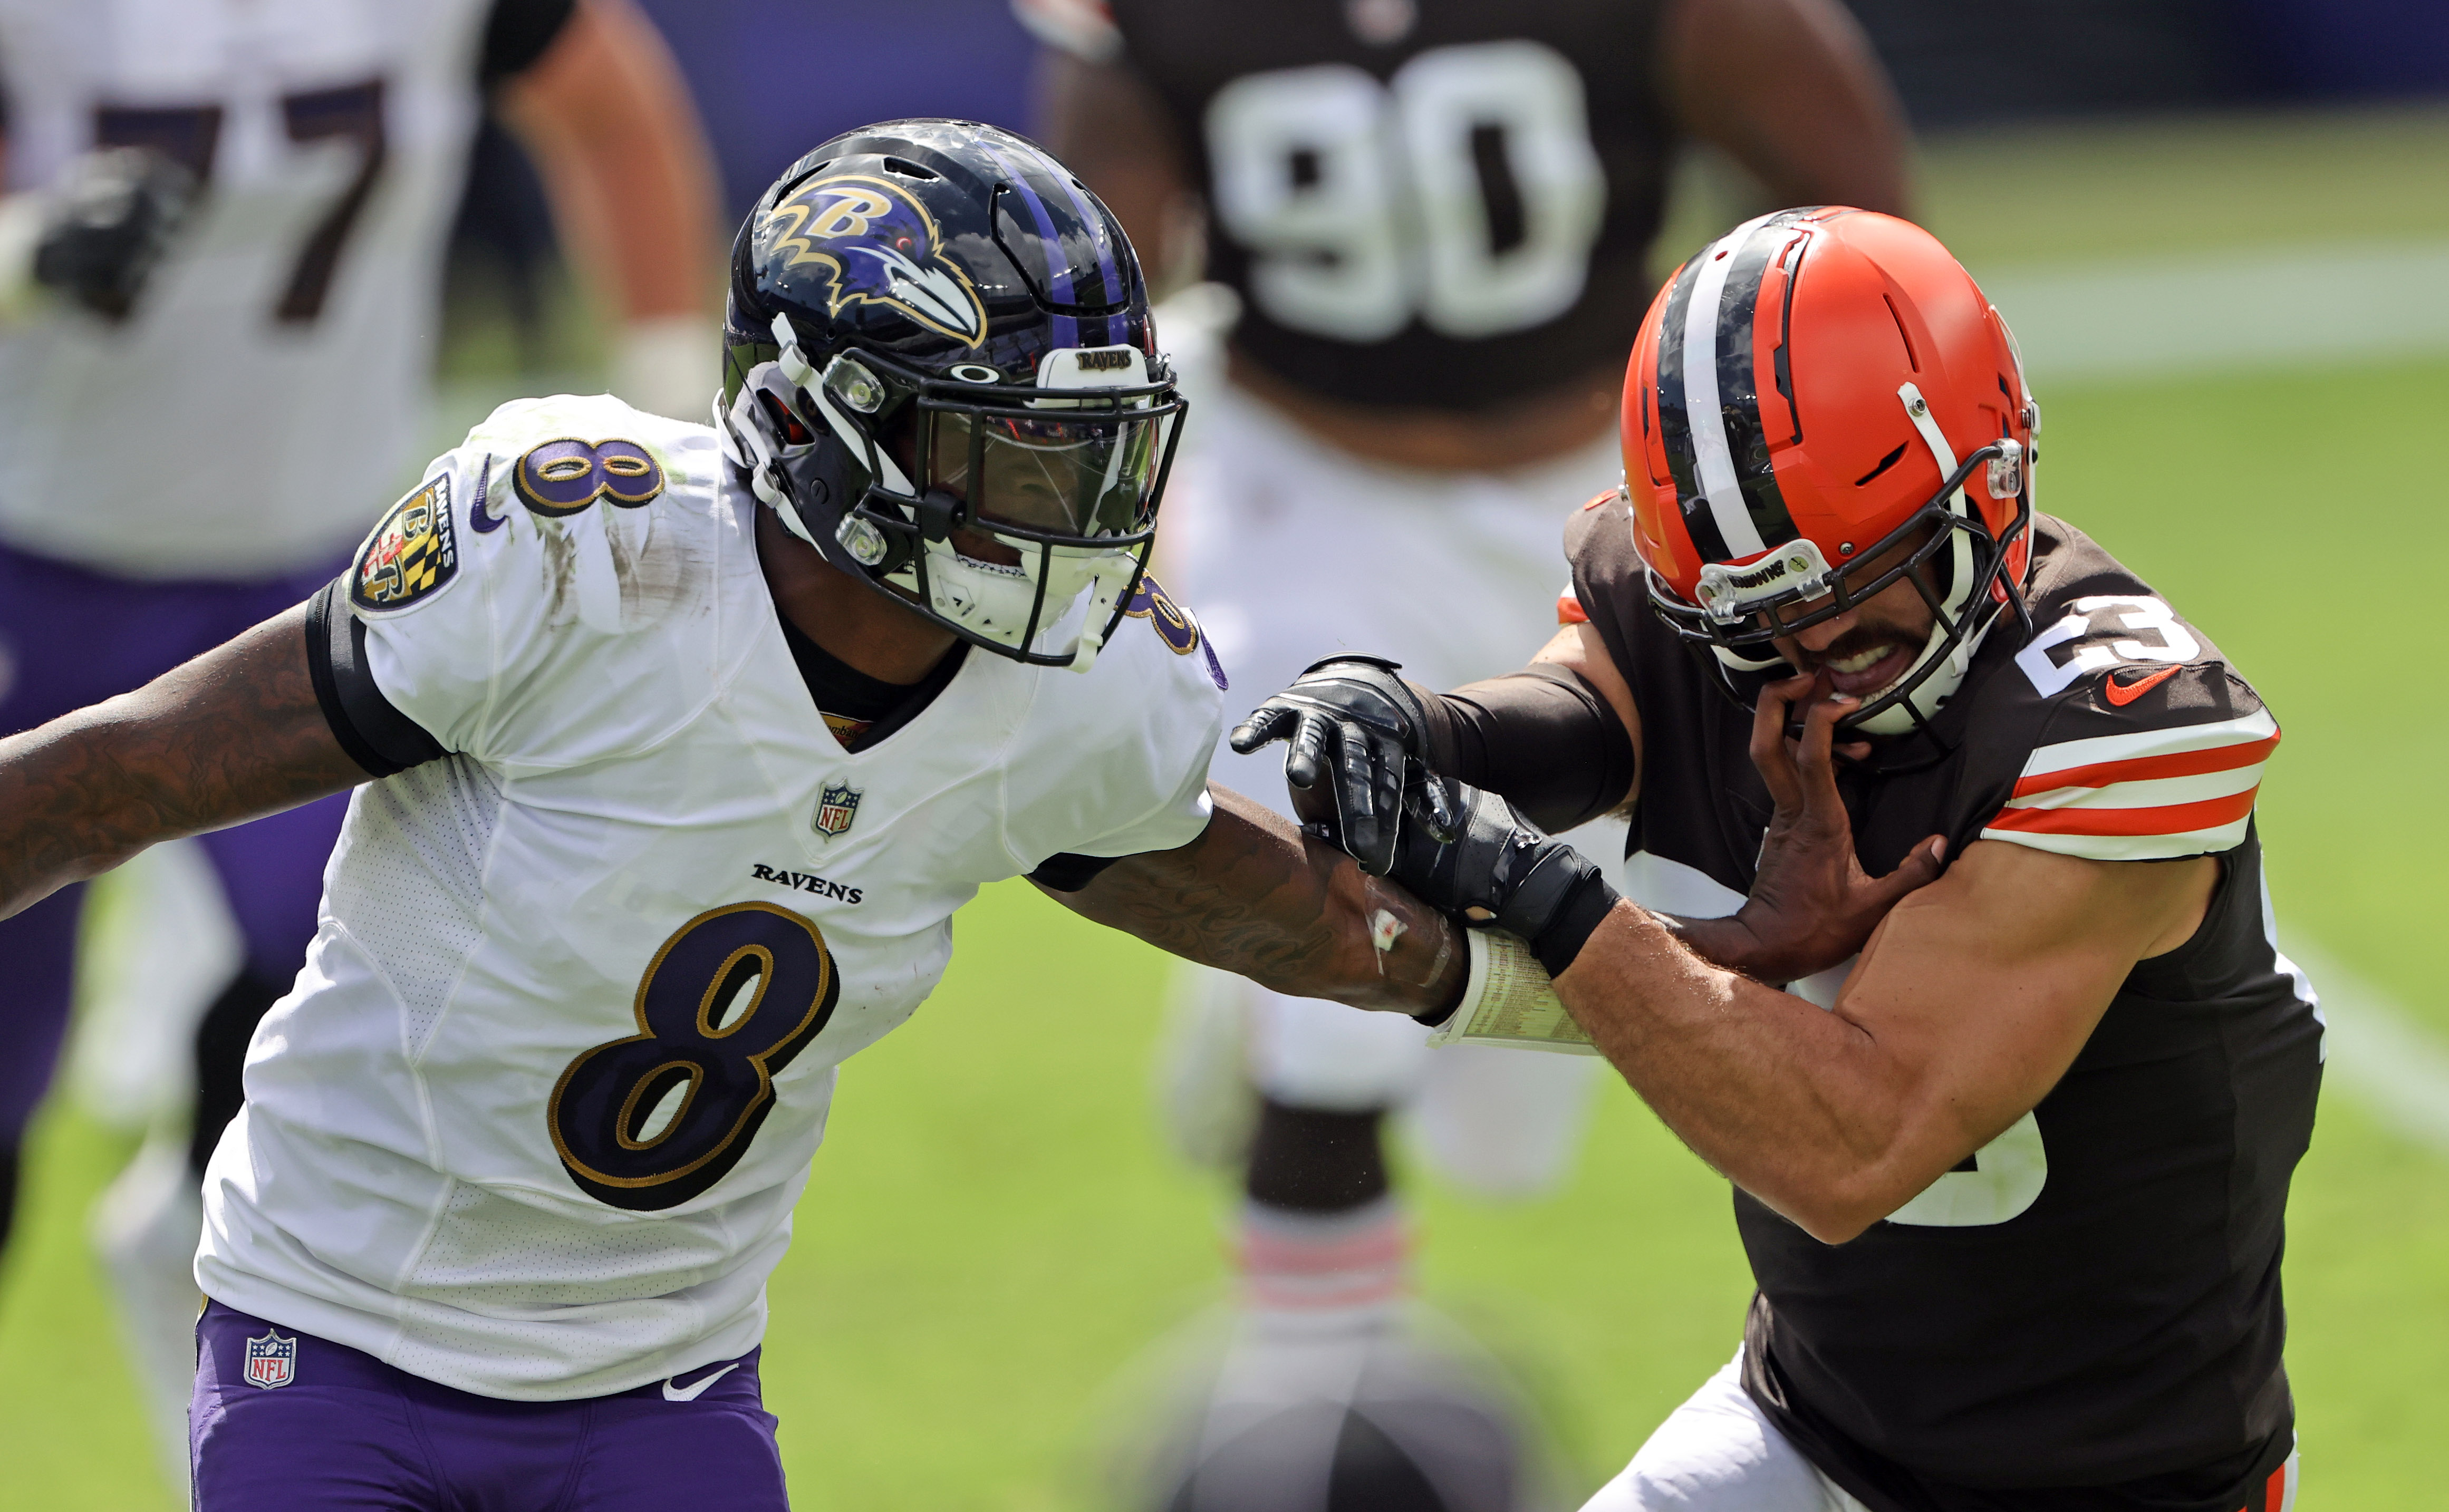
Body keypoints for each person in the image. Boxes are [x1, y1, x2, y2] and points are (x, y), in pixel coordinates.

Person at [0, 118, 1512, 1510]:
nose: (1074, 512)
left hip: (666, 1386)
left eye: (1094, 450)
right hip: (334, 1343)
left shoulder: (1072, 696)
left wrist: (1614, 973)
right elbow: (124, 774)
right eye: (1013, 451)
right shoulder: (581, 556)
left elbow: (1308, 928)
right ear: (822, 425)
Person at [1234, 208, 2317, 1511]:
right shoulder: (1711, 613)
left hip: (2117, 1485)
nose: (1811, 657)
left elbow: (1850, 1150)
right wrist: (1423, 726)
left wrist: (1538, 888)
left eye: (1854, 596)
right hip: (1802, 1426)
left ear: (1990, 483)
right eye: (1753, 624)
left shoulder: (2115, 723)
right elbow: (1588, 708)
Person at [1014, 0, 1916, 1375]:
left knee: (1523, 1077)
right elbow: (1091, 278)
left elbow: (1855, 228)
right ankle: (1311, 1415)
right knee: (1331, 1010)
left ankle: (1255, 975)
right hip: (1301, 475)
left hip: (1603, 486)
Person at [0, 0, 718, 1484]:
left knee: (363, 1016)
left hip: (310, 582)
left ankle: (205, 1267)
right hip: (25, 557)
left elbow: (610, 106)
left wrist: (669, 423)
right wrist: (23, 254)